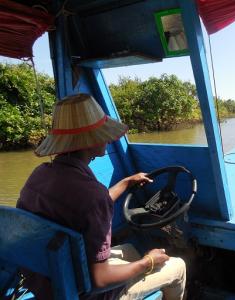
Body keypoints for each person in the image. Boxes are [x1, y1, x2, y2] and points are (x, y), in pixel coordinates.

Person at [16, 93, 186, 300]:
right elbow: (100, 280)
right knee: (177, 266)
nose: (107, 138)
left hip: (47, 281)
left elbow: (89, 203)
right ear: (90, 141)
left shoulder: (41, 174)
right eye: (102, 133)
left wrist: (125, 183)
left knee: (131, 250)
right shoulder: (92, 196)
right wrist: (148, 262)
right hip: (85, 294)